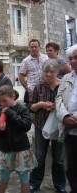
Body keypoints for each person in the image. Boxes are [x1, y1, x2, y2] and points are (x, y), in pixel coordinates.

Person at [29, 59, 67, 193]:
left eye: (51, 71)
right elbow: (31, 107)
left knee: (59, 159)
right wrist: (41, 104)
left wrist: (55, 107)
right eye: (46, 71)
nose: (49, 74)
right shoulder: (38, 86)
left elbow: (68, 105)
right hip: (41, 126)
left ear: (57, 72)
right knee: (39, 157)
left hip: (59, 127)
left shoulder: (64, 85)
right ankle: (34, 184)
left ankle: (60, 185)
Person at [0, 85, 37, 193]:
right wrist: (0, 130)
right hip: (6, 149)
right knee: (3, 177)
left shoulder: (22, 108)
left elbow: (26, 126)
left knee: (24, 178)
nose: (2, 104)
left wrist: (9, 112)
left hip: (21, 149)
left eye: (4, 100)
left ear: (13, 97)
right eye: (0, 101)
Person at [55, 44, 77, 193]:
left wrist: (74, 118)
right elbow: (58, 99)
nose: (73, 61)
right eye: (71, 58)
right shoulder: (66, 78)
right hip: (70, 131)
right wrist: (64, 116)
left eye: (76, 57)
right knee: (72, 167)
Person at [19, 39, 48, 104]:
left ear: (39, 47)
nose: (34, 48)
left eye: (36, 46)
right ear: (29, 48)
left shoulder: (46, 58)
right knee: (32, 109)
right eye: (32, 47)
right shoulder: (26, 61)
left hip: (45, 89)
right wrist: (26, 88)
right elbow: (21, 75)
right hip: (32, 90)